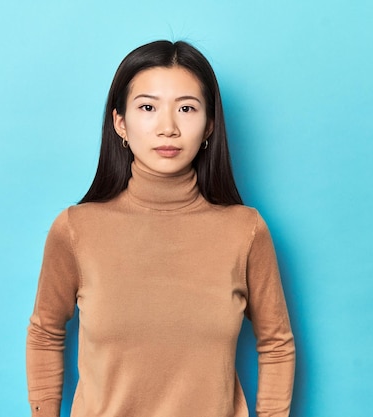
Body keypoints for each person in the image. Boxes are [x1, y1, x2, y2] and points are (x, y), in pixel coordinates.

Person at [26, 40, 295, 417]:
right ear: (121, 122)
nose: (167, 128)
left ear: (209, 125)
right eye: (148, 107)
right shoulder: (76, 229)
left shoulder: (245, 230)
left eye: (186, 108)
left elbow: (277, 344)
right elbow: (45, 333)